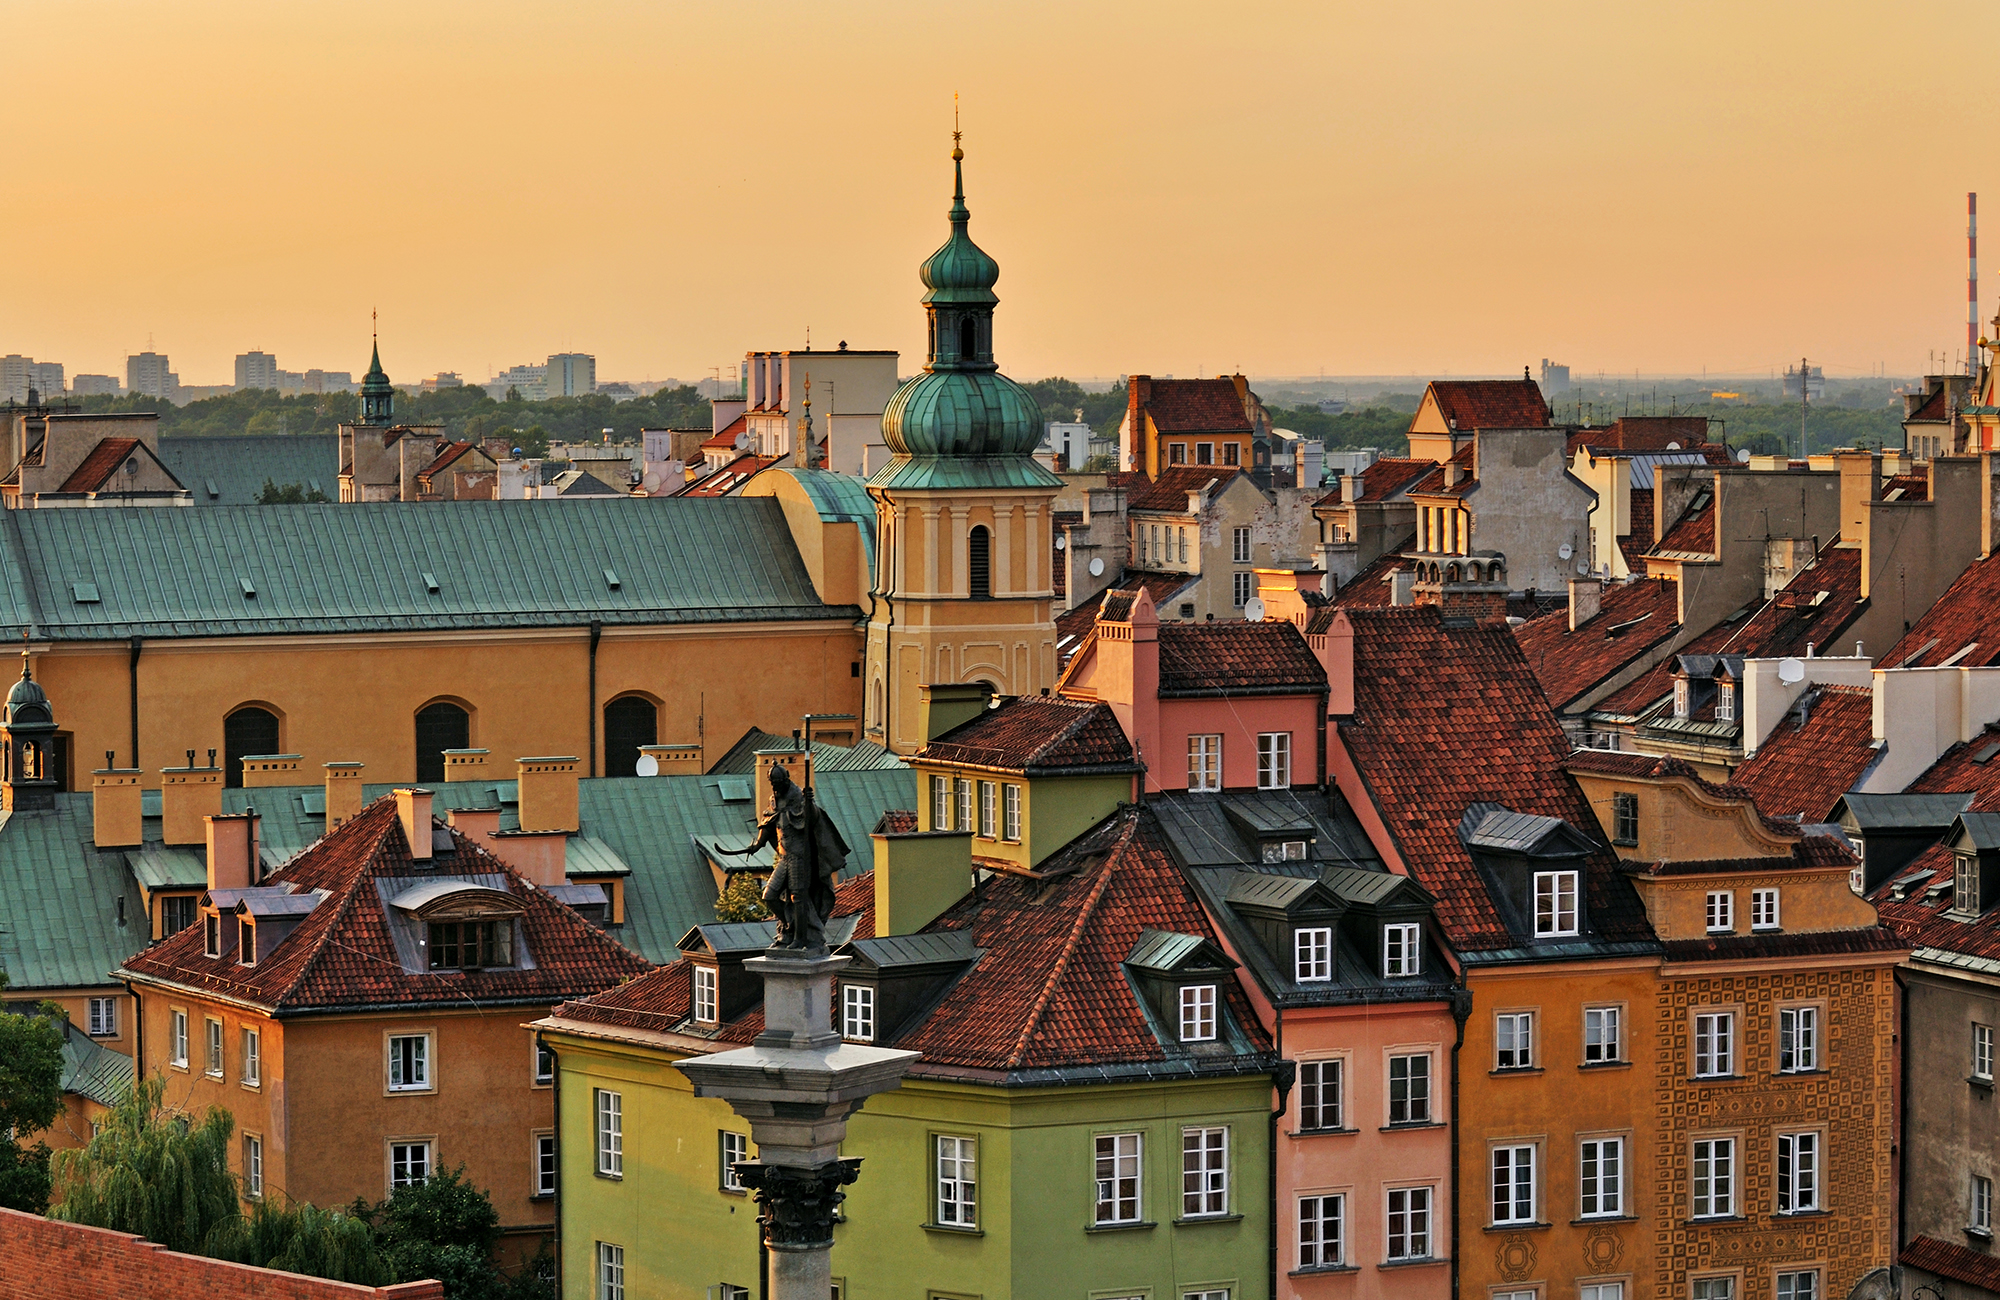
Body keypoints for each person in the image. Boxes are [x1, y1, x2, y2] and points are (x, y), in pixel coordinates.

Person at [726, 763, 847, 953]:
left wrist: (810, 802)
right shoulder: (774, 799)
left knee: (798, 897)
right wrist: (757, 845)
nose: (775, 787)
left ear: (786, 779)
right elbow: (769, 822)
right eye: (772, 783)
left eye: (778, 783)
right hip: (785, 858)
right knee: (769, 895)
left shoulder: (798, 797)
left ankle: (801, 938)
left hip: (800, 857)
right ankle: (790, 926)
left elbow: (813, 818)